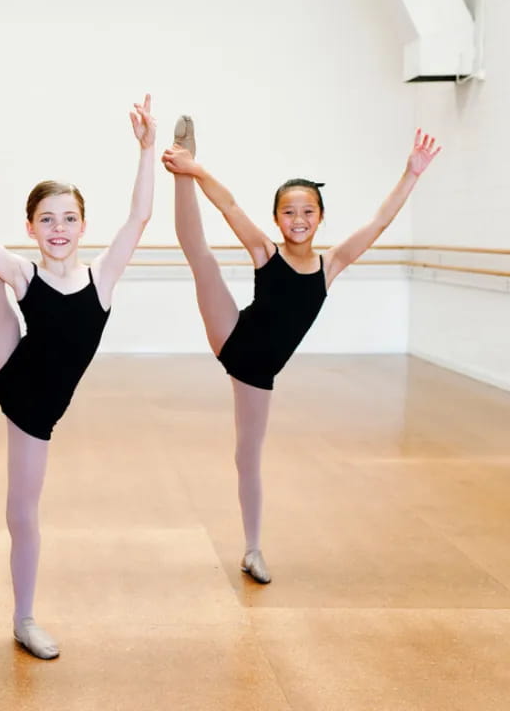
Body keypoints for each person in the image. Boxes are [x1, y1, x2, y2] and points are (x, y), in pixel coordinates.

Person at [162, 119, 440, 584]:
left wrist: (411, 174)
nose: (298, 220)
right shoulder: (266, 253)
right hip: (233, 335)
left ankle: (252, 550)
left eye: (307, 212)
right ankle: (179, 172)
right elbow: (229, 205)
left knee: (247, 456)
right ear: (276, 219)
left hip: (259, 372)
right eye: (288, 212)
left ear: (320, 217)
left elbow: (380, 221)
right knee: (201, 257)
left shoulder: (331, 265)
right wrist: (195, 169)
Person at [0, 93, 156, 658]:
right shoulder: (24, 272)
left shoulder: (102, 278)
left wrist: (147, 149)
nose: (58, 228)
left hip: (43, 404)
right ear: (32, 228)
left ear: (83, 224)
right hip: (13, 379)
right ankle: (25, 618)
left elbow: (139, 217)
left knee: (22, 511)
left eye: (68, 218)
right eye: (46, 220)